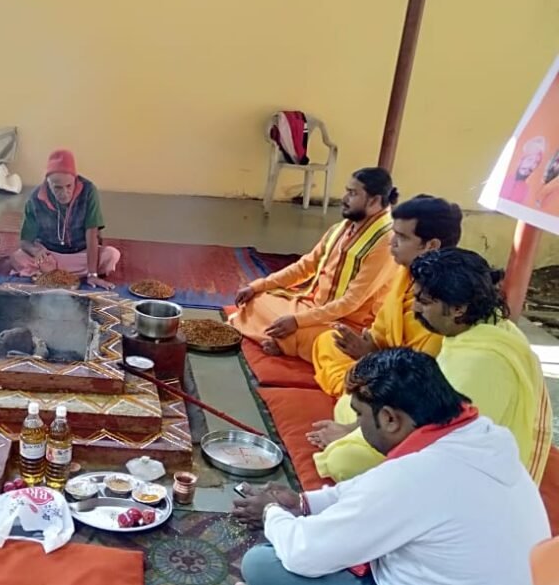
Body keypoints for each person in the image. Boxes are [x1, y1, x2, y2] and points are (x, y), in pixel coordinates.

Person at [231, 348, 549, 585]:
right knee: (334, 541)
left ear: (390, 419)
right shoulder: (480, 436)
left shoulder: (418, 476)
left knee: (262, 564)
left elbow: (303, 554)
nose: (357, 426)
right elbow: (372, 490)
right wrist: (303, 503)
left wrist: (270, 513)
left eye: (359, 416)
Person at [310, 248, 553, 484]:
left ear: (458, 308)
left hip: (465, 467)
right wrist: (358, 427)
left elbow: (438, 438)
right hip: (425, 422)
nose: (415, 308)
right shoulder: (475, 327)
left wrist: (352, 435)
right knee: (350, 404)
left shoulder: (481, 363)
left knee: (344, 460)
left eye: (424, 302)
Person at [231, 168, 398, 360]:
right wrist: (258, 286)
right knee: (257, 299)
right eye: (347, 191)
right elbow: (305, 266)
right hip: (316, 308)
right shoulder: (342, 228)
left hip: (350, 326)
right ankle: (286, 340)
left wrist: (297, 321)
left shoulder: (386, 242)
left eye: (353, 194)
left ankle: (288, 341)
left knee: (321, 338)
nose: (344, 198)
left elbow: (351, 302)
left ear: (374, 200)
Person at [311, 195, 463, 396]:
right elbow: (381, 331)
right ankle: (355, 391)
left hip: (407, 384)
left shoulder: (442, 301)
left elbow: (423, 374)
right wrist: (367, 346)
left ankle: (356, 394)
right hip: (380, 362)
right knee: (327, 340)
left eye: (402, 237)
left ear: (431, 245)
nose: (391, 242)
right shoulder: (406, 273)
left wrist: (372, 356)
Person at [10, 149, 119, 289]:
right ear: (48, 183)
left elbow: (92, 234)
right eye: (58, 188)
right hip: (49, 256)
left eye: (69, 186)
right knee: (17, 258)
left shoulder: (88, 191)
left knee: (111, 255)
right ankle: (58, 273)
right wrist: (37, 252)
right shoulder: (35, 198)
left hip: (81, 254)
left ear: (75, 179)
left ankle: (50, 274)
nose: (65, 193)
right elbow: (25, 241)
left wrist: (93, 274)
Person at [499, 136, 546, 205]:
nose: (532, 166)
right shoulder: (502, 177)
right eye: (530, 159)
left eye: (536, 163)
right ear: (521, 159)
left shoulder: (525, 190)